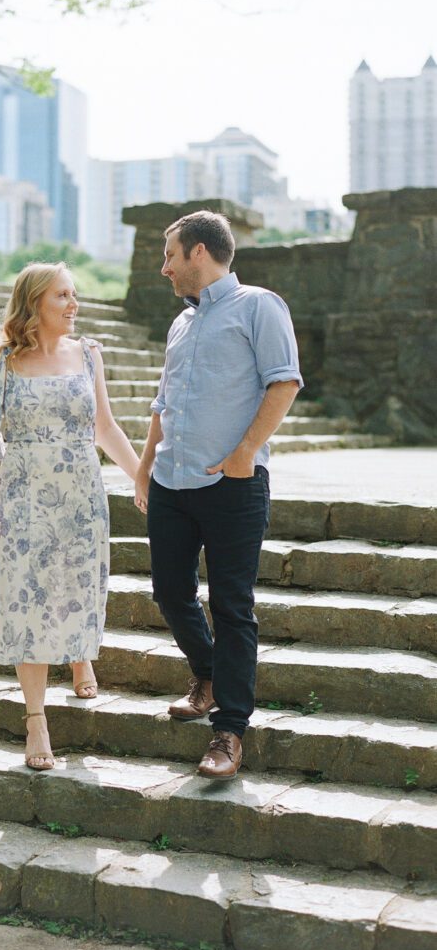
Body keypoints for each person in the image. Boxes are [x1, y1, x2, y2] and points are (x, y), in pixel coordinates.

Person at [134, 211, 303, 780]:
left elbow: (285, 381)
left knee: (232, 606)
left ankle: (229, 730)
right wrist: (143, 467)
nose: (164, 268)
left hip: (233, 485)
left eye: (170, 256)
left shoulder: (259, 306)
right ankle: (206, 675)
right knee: (169, 590)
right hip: (171, 482)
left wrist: (245, 452)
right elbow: (163, 402)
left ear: (199, 253)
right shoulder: (180, 324)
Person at [0, 262, 141, 770]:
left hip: (81, 492)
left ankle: (81, 653)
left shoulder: (89, 356)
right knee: (25, 597)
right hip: (25, 495)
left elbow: (105, 427)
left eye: (74, 295)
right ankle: (36, 720)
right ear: (34, 301)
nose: (74, 304)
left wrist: (141, 477)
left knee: (79, 584)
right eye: (63, 295)